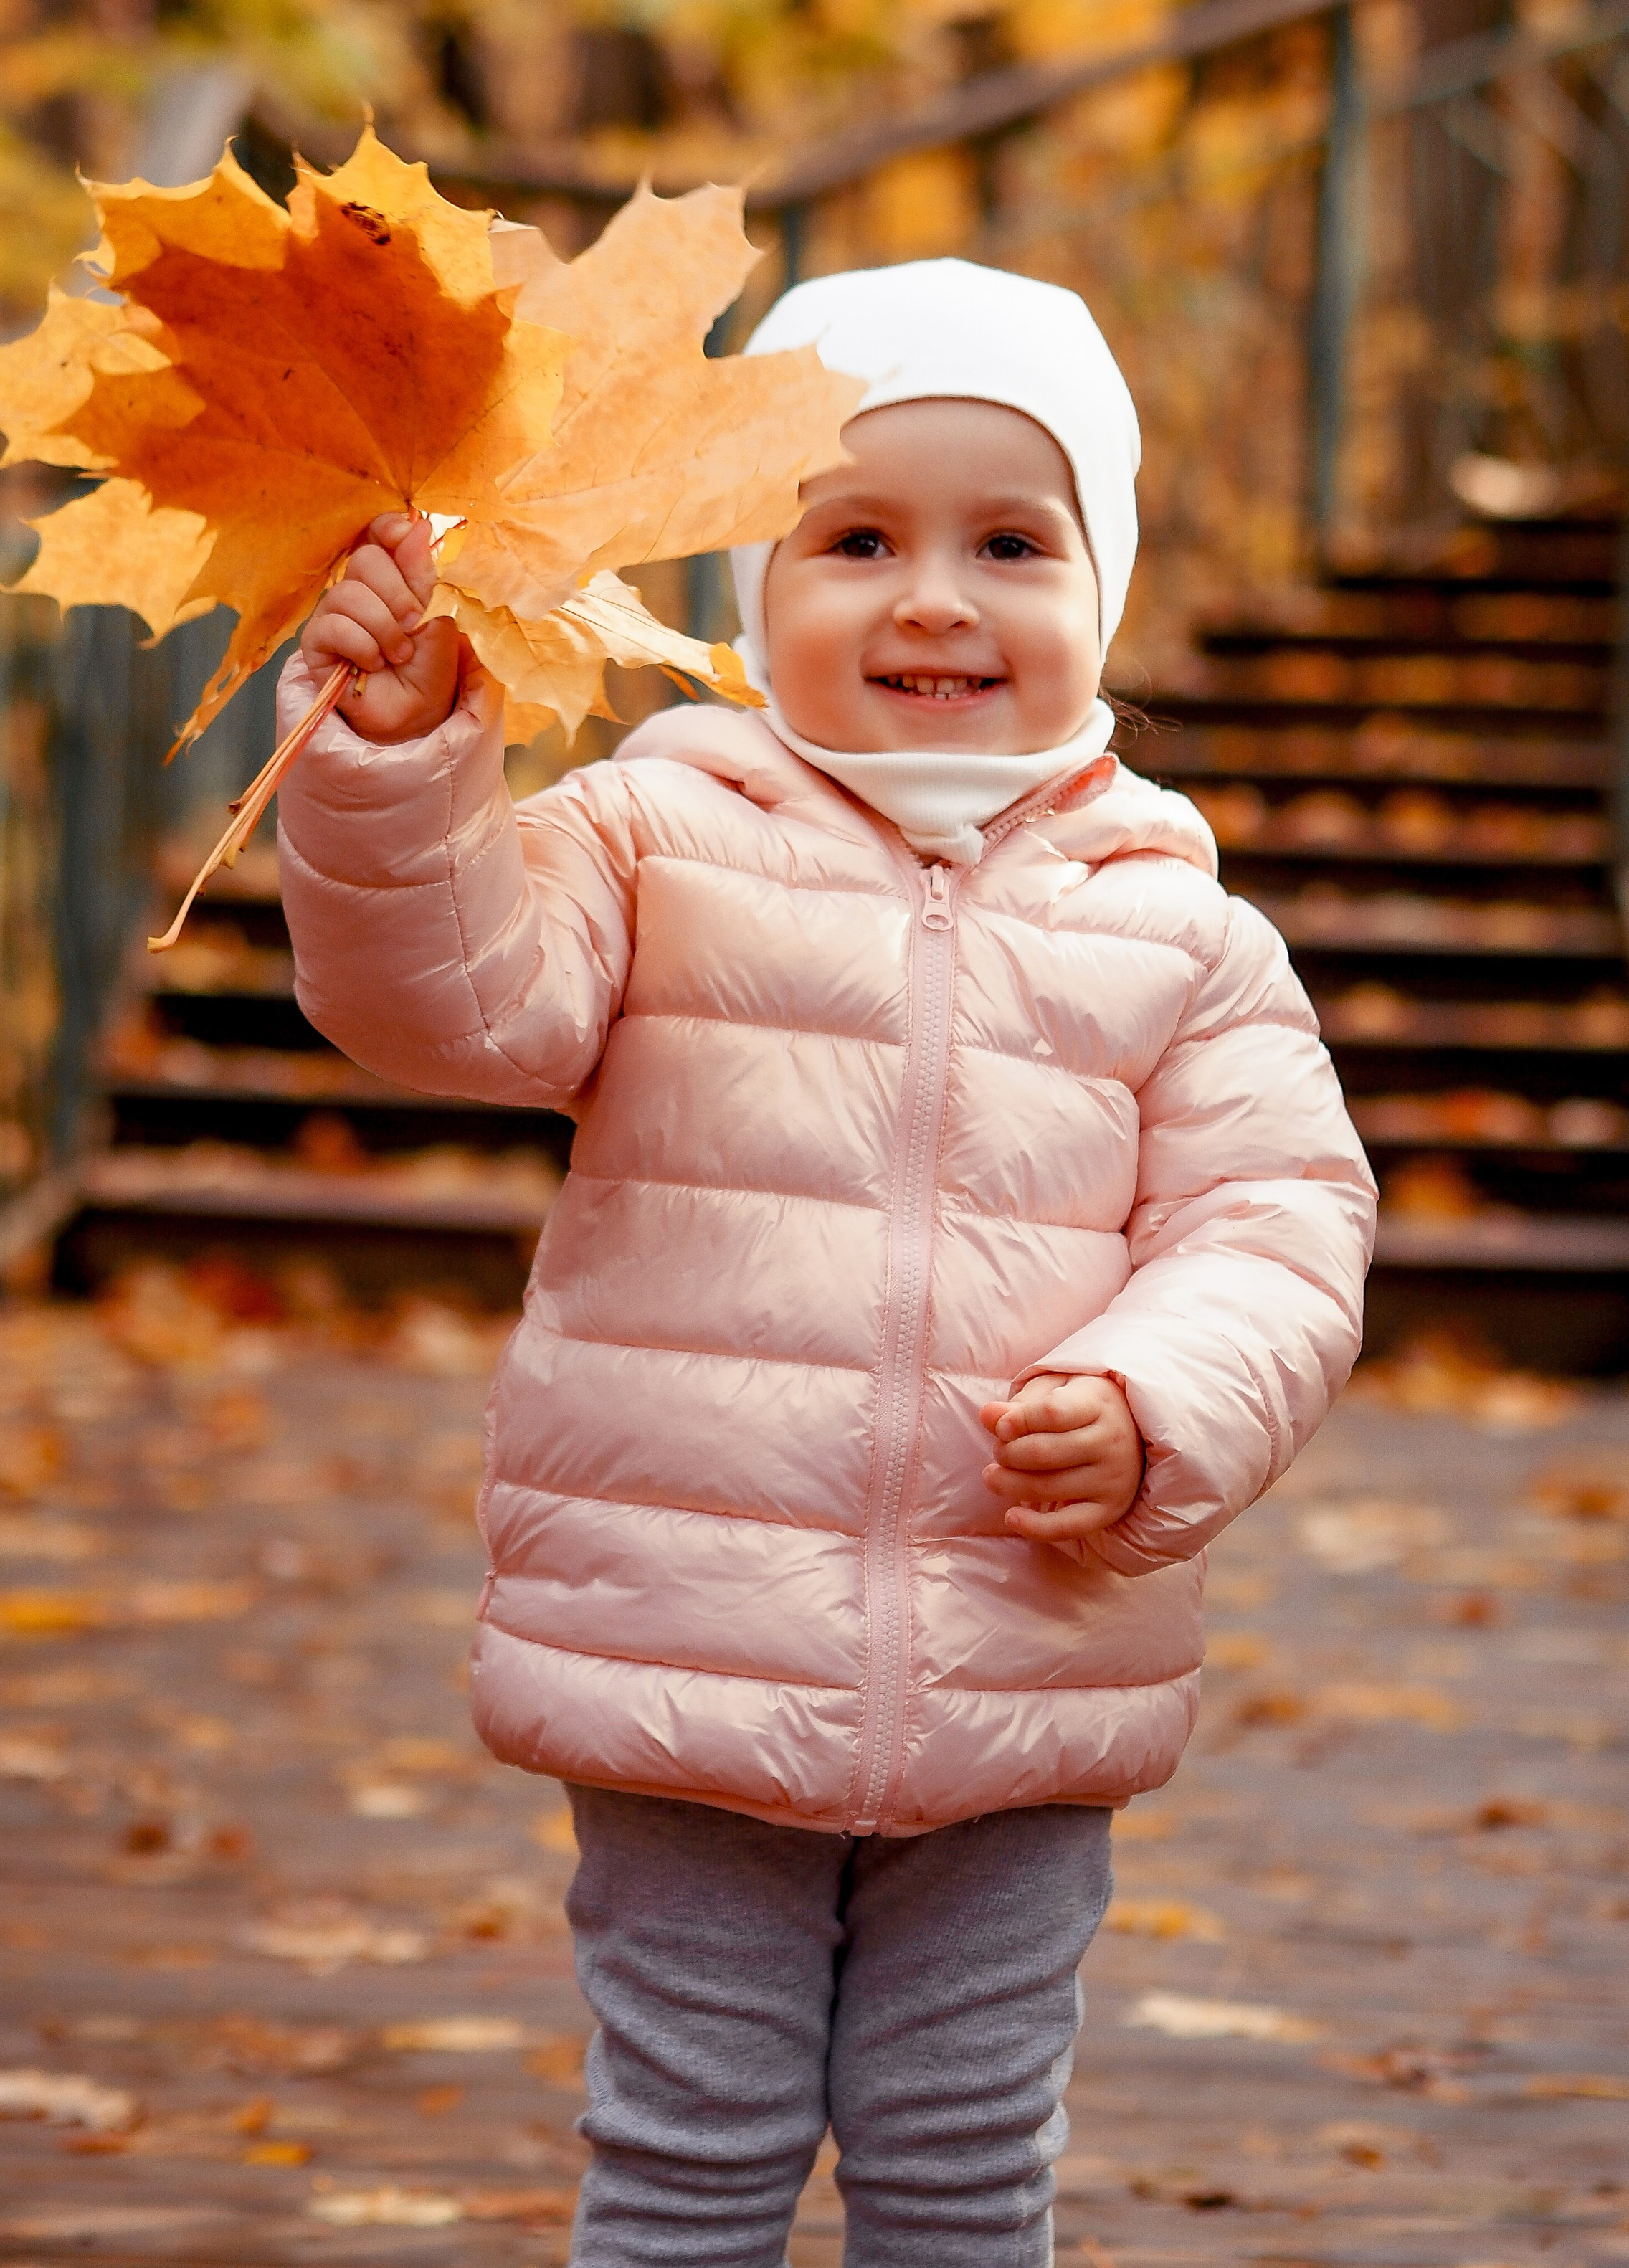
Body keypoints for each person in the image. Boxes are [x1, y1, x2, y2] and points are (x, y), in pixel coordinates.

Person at [276, 257, 1376, 2267]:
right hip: (696, 1644)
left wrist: (1158, 1406)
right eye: (857, 535)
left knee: (963, 2166)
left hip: (1028, 1641)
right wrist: (400, 758)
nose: (934, 595)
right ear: (755, 582)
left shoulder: (1182, 933)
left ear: (1101, 587)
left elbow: (1281, 1226)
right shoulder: (645, 840)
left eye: (1010, 542)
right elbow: (451, 1003)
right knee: (689, 2154)